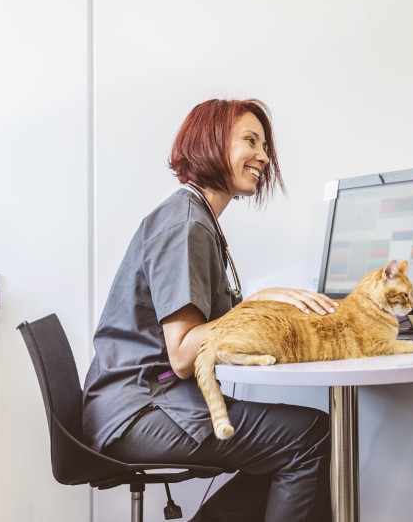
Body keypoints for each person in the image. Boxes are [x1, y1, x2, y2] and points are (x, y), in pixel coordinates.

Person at [83, 98, 337, 522]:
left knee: (299, 439)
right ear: (212, 142)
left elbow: (208, 328)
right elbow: (183, 354)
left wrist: (264, 306)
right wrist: (255, 306)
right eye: (250, 141)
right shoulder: (187, 223)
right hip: (139, 407)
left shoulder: (195, 216)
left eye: (265, 145)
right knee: (309, 438)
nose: (263, 156)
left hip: (137, 400)